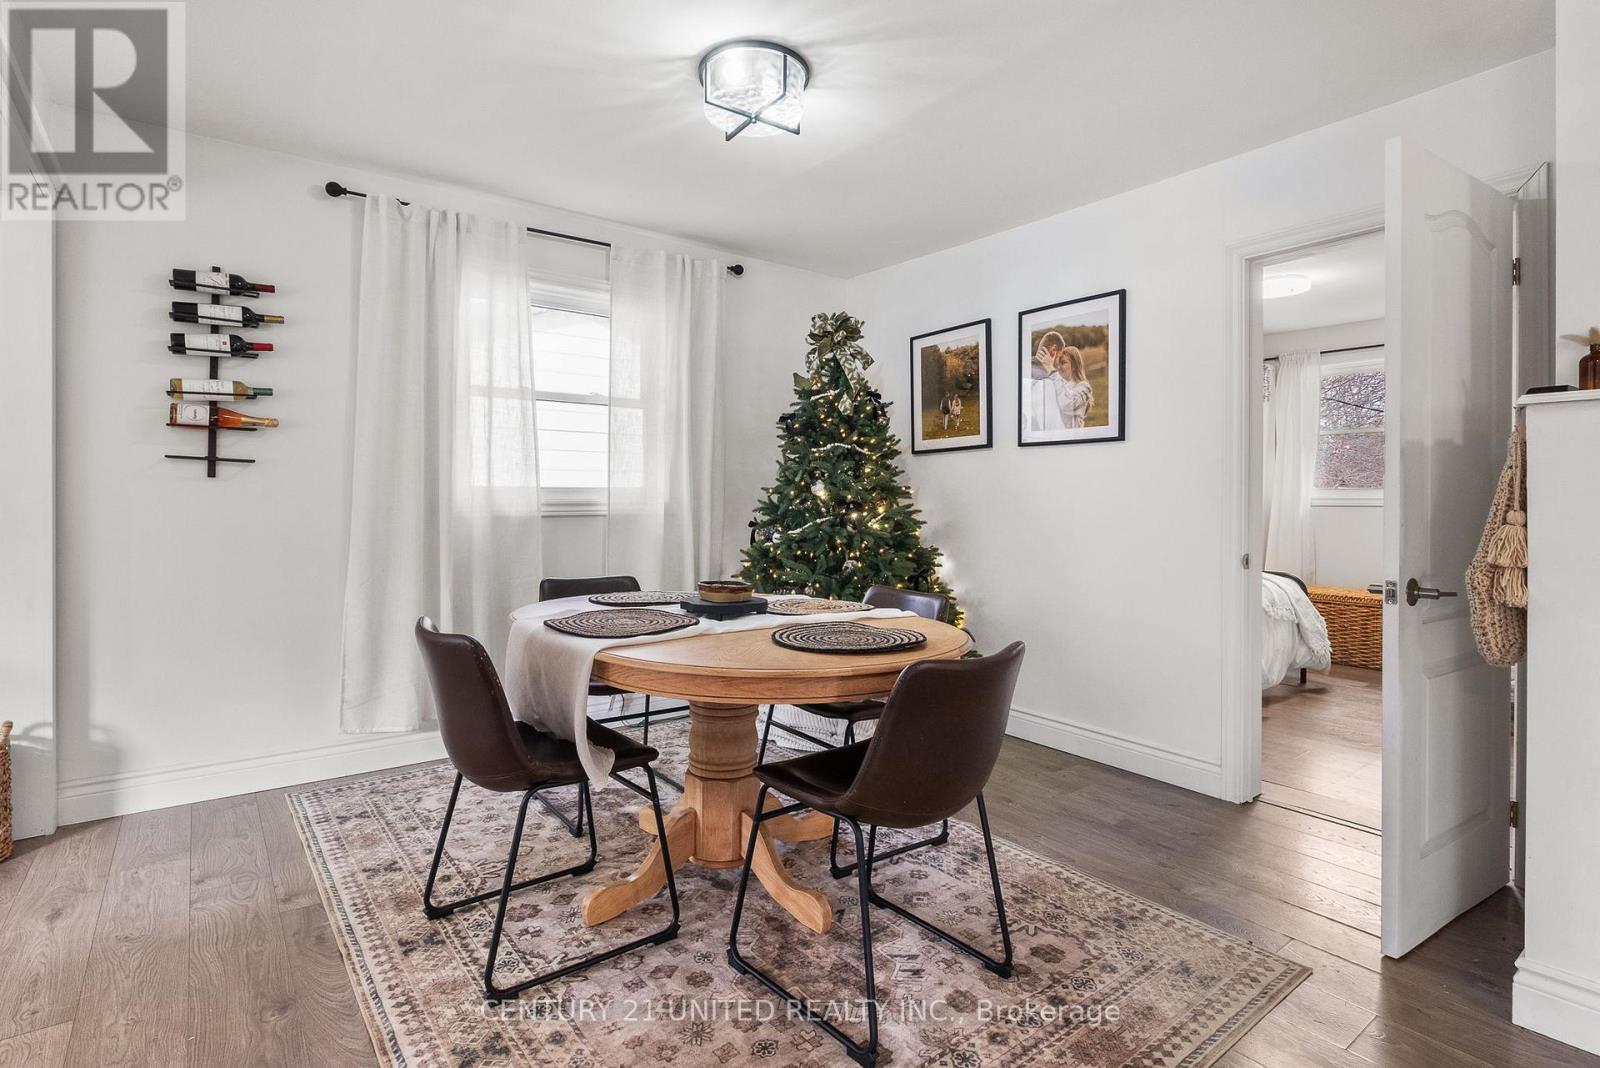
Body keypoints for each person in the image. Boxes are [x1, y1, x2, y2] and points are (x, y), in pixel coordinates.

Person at [1052, 344, 1093, 428]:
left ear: (1074, 365)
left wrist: (1054, 375)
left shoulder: (1085, 388)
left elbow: (1066, 404)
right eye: (1058, 364)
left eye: (1063, 363)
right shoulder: (1058, 383)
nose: (1059, 367)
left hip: (1073, 435)